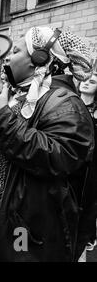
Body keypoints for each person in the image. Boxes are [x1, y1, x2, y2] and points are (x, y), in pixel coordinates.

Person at [0, 27, 94, 262]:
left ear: (38, 60)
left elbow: (59, 157)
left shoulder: (64, 102)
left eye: (15, 51)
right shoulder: (15, 95)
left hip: (7, 229)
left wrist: (0, 115)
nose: (8, 57)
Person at [78, 70, 97, 253]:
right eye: (84, 79)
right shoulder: (69, 105)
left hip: (90, 168)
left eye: (92, 81)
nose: (86, 82)